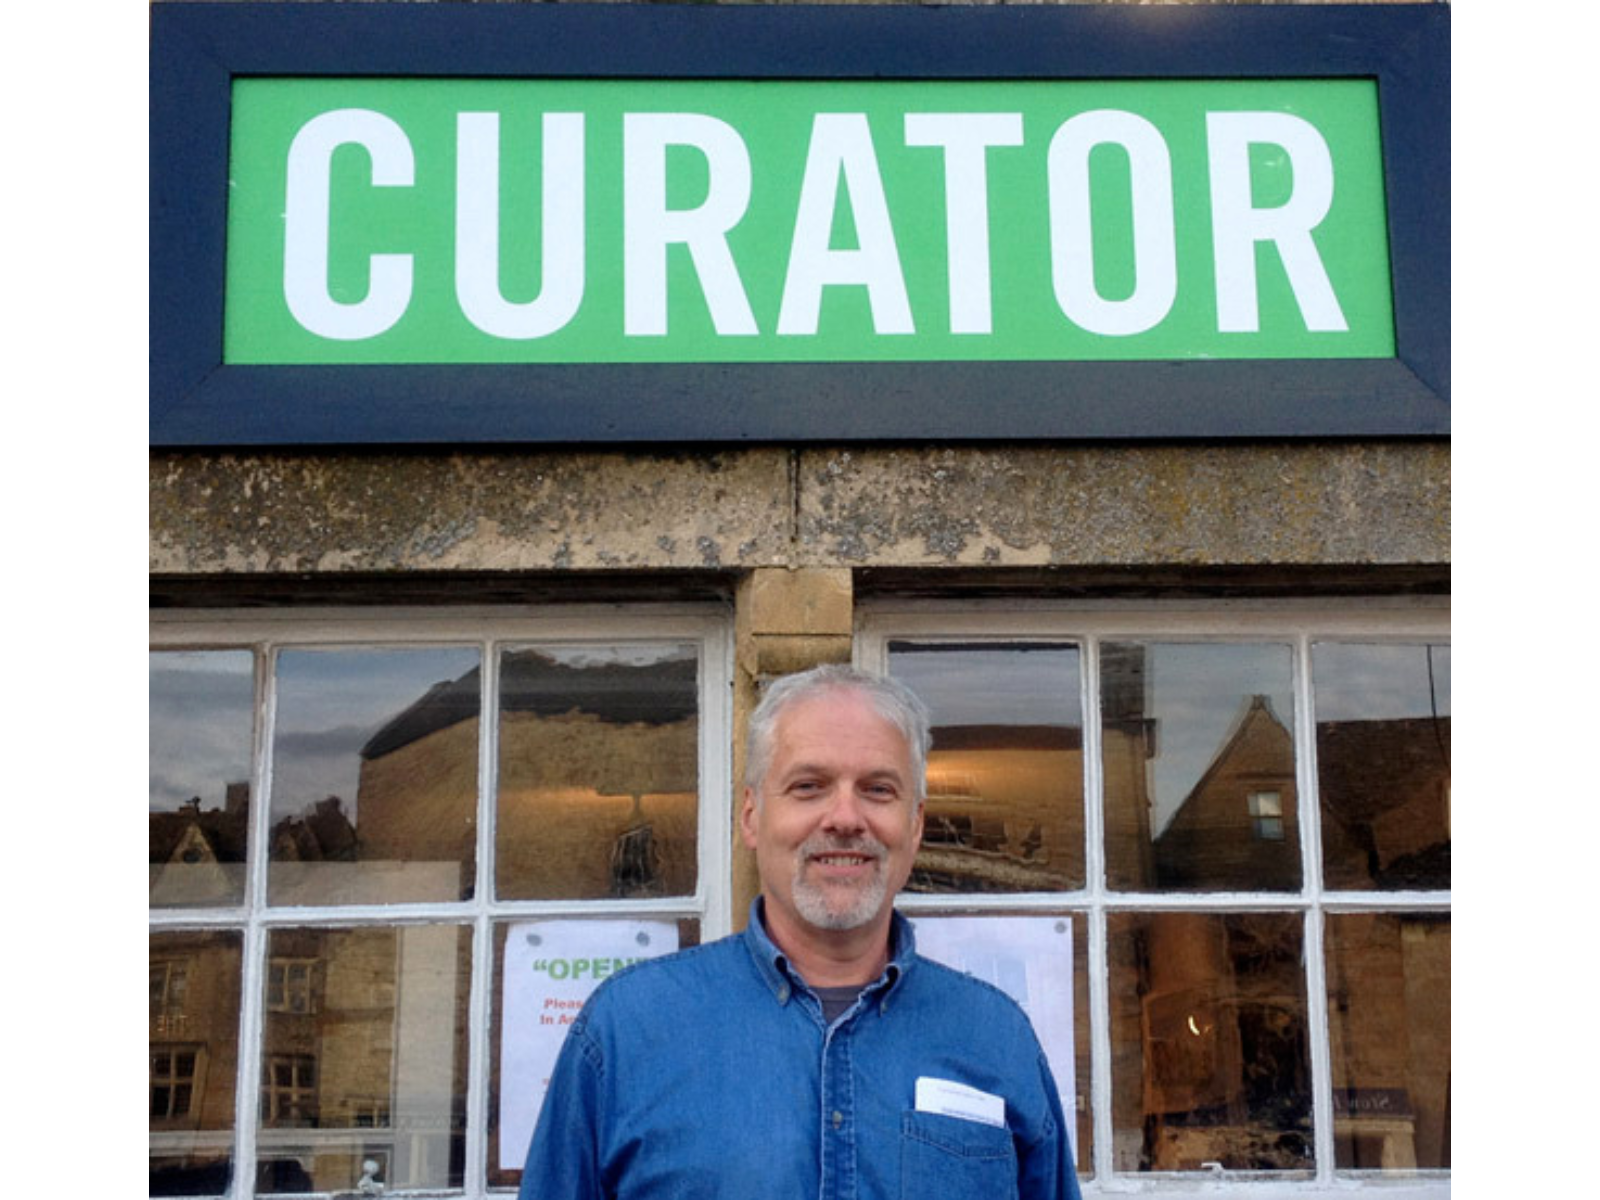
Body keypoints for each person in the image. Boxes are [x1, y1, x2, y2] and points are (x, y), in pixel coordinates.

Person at [519, 664, 1081, 1199]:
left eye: (878, 789)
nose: (844, 817)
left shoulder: (995, 1038)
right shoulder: (625, 1031)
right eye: (809, 786)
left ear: (914, 826)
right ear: (750, 817)